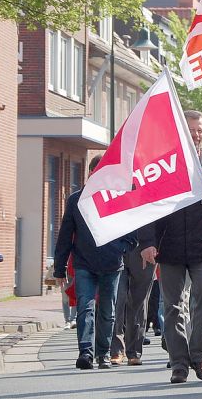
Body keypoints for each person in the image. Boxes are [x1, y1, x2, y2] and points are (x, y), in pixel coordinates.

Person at [139, 110, 202, 384]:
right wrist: (147, 243)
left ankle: (199, 355)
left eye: (199, 130)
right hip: (170, 247)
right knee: (173, 306)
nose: (196, 134)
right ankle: (179, 363)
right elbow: (149, 206)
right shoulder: (163, 167)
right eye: (190, 129)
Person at [54, 155, 137, 370]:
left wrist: (119, 249)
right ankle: (86, 353)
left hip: (111, 264)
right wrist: (59, 267)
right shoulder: (76, 200)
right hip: (84, 264)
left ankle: (103, 354)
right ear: (90, 173)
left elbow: (132, 234)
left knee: (107, 311)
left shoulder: (119, 198)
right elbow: (65, 235)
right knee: (85, 307)